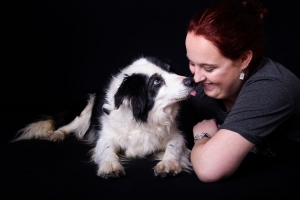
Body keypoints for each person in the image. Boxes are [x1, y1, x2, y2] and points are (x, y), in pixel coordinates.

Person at [185, 0, 300, 182]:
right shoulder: (201, 95)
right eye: (192, 63)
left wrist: (202, 136)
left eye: (208, 68)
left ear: (244, 59)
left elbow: (209, 168)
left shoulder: (272, 87)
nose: (196, 78)